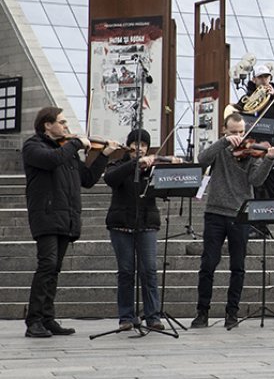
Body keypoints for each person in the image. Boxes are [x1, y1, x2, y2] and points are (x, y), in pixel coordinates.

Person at [22, 107, 120, 338]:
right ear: (47, 125)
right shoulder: (34, 146)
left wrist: (104, 155)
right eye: (62, 122)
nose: (66, 126)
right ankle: (34, 320)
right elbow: (51, 160)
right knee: (47, 265)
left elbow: (86, 180)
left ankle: (48, 318)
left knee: (54, 269)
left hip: (66, 217)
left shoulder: (68, 151)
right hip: (45, 216)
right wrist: (76, 144)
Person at [192, 112, 274, 329]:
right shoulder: (220, 149)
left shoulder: (250, 154)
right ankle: (202, 312)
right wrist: (224, 142)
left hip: (240, 214)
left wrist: (268, 159)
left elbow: (256, 180)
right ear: (225, 130)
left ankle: (232, 312)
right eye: (233, 132)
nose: (239, 137)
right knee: (208, 264)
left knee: (238, 266)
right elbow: (202, 159)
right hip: (215, 212)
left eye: (241, 132)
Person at [104, 129, 180, 331]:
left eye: (144, 145)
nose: (140, 148)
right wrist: (135, 164)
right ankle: (126, 317)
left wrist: (171, 167)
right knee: (126, 271)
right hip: (121, 224)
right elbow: (110, 179)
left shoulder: (152, 168)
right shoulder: (118, 165)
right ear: (129, 146)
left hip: (147, 223)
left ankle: (153, 316)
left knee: (149, 270)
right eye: (136, 144)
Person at [242, 64, 274, 238]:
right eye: (260, 77)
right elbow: (242, 117)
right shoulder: (247, 97)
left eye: (266, 77)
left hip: (271, 148)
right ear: (254, 80)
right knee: (257, 189)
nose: (263, 80)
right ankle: (259, 226)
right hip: (254, 150)